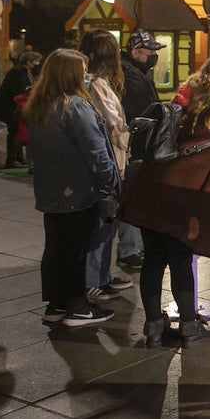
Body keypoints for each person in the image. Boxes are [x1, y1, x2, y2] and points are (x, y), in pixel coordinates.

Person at [121, 53, 210, 347]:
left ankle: (154, 324)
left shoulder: (183, 102)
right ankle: (188, 325)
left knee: (154, 260)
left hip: (151, 190)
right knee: (181, 259)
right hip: (184, 198)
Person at [25, 49, 119, 327]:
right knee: (75, 249)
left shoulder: (41, 105)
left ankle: (56, 304)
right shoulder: (75, 106)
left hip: (51, 192)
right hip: (78, 191)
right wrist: (108, 186)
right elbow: (97, 151)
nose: (87, 76)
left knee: (56, 247)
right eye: (83, 71)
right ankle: (77, 306)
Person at [78, 30, 135, 303]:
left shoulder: (89, 81)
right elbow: (113, 125)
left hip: (104, 161)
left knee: (106, 223)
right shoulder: (97, 84)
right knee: (103, 223)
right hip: (109, 161)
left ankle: (101, 275)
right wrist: (130, 140)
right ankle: (94, 280)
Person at [116, 29, 165, 270]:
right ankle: (130, 249)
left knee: (133, 195)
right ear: (136, 52)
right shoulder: (131, 77)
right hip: (135, 147)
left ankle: (132, 247)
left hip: (137, 146)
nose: (154, 56)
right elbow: (139, 113)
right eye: (150, 52)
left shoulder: (136, 73)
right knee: (132, 195)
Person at [0, 50, 40, 168]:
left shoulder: (23, 70)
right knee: (14, 132)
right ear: (29, 61)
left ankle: (19, 157)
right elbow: (19, 90)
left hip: (15, 107)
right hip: (11, 108)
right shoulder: (18, 72)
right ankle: (12, 159)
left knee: (18, 132)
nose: (38, 63)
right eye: (36, 61)